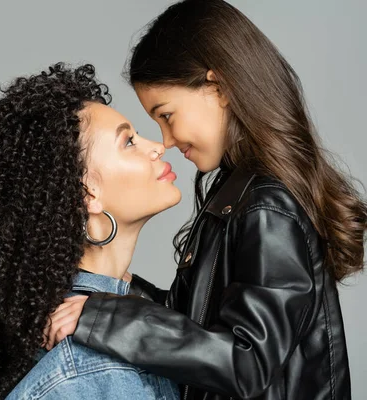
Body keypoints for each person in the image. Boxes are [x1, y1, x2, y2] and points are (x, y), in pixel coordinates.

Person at [45, 1, 367, 399]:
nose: (164, 140)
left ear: (218, 88)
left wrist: (105, 316)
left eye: (166, 115)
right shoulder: (236, 194)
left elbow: (247, 363)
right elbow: (196, 325)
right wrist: (111, 297)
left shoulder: (267, 208)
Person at [0, 63, 180, 400]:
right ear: (88, 193)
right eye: (129, 141)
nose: (157, 146)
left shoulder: (150, 312)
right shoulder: (77, 373)